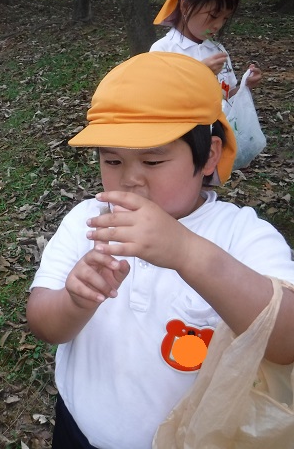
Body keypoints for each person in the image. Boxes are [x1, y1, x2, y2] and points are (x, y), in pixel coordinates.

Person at [26, 52, 294, 449]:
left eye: (153, 160)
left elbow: (285, 341)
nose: (131, 180)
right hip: (78, 431)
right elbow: (44, 324)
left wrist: (186, 252)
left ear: (208, 157)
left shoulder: (240, 235)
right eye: (112, 159)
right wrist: (74, 301)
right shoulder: (89, 220)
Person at [150, 0, 262, 101]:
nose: (218, 25)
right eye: (213, 15)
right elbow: (157, 99)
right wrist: (199, 74)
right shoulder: (163, 50)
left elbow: (225, 98)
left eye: (225, 18)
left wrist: (245, 87)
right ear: (186, 6)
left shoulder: (218, 51)